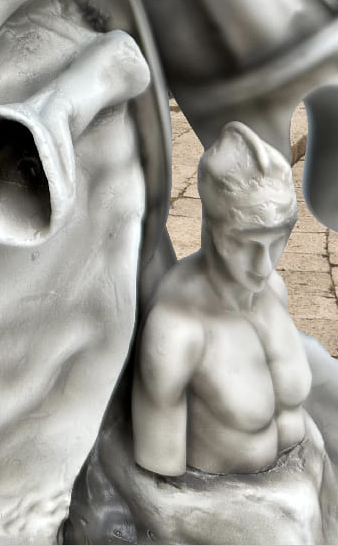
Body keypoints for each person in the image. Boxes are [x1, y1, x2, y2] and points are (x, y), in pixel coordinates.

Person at [132, 122, 312, 478]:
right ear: (211, 227)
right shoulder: (177, 329)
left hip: (301, 477)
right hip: (225, 502)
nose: (264, 264)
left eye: (277, 241)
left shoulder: (272, 290)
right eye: (246, 244)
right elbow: (158, 481)